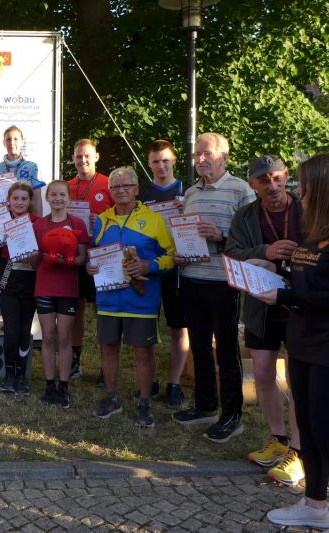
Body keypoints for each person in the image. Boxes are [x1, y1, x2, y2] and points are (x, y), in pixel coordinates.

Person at [259, 154, 329, 529]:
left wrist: (284, 296)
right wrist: (272, 273)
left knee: (323, 428)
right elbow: (304, 278)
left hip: (325, 349)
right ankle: (314, 504)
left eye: (304, 185)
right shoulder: (312, 234)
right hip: (300, 344)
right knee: (310, 428)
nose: (298, 192)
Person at [172, 132, 255, 442]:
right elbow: (187, 235)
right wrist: (181, 251)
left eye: (206, 153)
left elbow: (253, 239)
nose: (200, 159)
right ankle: (205, 405)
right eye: (197, 154)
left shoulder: (241, 190)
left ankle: (232, 415)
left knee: (227, 350)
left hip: (224, 282)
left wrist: (221, 237)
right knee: (200, 346)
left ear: (224, 156)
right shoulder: (191, 192)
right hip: (192, 278)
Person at [225, 155, 303, 485]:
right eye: (263, 180)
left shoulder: (307, 209)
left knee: (299, 380)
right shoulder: (245, 215)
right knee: (262, 374)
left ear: (285, 175)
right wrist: (265, 252)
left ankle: (299, 452)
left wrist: (290, 259)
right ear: (253, 185)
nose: (272, 185)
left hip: (300, 305)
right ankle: (278, 439)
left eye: (276, 177)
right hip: (261, 305)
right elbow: (231, 254)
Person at [86, 166, 175, 428]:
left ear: (136, 189)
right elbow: (93, 253)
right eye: (115, 187)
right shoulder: (102, 220)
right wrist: (90, 266)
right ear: (110, 191)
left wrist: (149, 266)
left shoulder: (154, 219)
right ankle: (111, 397)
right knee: (108, 348)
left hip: (141, 299)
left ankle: (144, 402)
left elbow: (172, 255)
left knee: (143, 352)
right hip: (109, 299)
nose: (121, 191)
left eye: (126, 186)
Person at [138, 139, 189, 408]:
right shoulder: (142, 193)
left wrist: (187, 211)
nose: (161, 166)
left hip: (177, 266)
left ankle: (174, 383)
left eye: (166, 160)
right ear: (149, 164)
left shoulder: (187, 191)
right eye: (156, 161)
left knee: (178, 328)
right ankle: (151, 380)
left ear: (174, 160)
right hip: (149, 267)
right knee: (147, 329)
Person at [33, 180, 88, 407]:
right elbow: (34, 256)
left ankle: (63, 386)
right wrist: (43, 258)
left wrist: (70, 261)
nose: (58, 199)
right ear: (47, 198)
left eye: (62, 195)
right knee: (48, 336)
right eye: (53, 195)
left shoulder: (77, 223)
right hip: (44, 286)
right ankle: (49, 385)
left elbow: (83, 257)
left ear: (69, 198)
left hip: (68, 288)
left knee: (64, 338)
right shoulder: (39, 225)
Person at [66, 138, 113, 382]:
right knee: (76, 309)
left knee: (102, 311)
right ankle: (76, 362)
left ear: (96, 157)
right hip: (76, 255)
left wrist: (102, 220)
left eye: (87, 156)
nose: (83, 160)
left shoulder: (108, 183)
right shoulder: (67, 186)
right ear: (73, 158)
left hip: (102, 255)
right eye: (78, 156)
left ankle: (106, 367)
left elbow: (121, 215)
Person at [0, 182, 39, 395]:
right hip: (8, 281)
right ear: (8, 200)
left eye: (24, 199)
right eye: (15, 198)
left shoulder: (38, 222)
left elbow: (42, 252)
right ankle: (9, 375)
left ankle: (21, 375)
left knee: (25, 330)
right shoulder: (1, 223)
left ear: (30, 201)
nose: (19, 202)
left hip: (30, 282)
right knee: (11, 330)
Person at [0, 125, 46, 215]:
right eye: (8, 139)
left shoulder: (32, 167)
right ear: (4, 143)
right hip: (4, 218)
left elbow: (36, 198)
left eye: (15, 139)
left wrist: (39, 220)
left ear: (22, 142)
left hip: (27, 218)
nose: (12, 142)